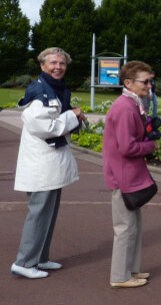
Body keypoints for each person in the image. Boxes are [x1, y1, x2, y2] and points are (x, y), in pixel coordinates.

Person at [11, 47, 85, 279]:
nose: (58, 67)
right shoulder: (40, 92)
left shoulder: (55, 89)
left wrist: (71, 115)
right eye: (53, 63)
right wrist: (73, 115)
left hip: (50, 163)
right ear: (42, 66)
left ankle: (40, 258)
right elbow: (44, 128)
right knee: (39, 212)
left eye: (62, 63)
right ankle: (24, 262)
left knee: (49, 213)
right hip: (41, 164)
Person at [103, 61, 158, 288]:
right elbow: (127, 147)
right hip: (122, 176)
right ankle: (120, 277)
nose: (149, 85)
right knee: (125, 228)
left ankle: (131, 269)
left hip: (128, 174)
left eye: (150, 80)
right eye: (145, 81)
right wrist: (150, 147)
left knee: (133, 225)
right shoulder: (125, 107)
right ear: (128, 83)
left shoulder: (133, 103)